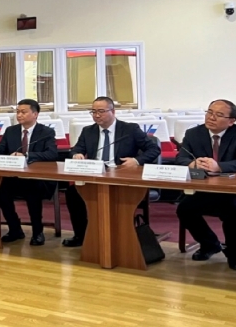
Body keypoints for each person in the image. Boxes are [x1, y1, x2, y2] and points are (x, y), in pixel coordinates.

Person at [62, 97, 161, 247]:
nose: (96, 115)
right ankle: (81, 235)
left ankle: (122, 238)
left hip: (122, 179)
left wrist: (136, 161)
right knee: (73, 194)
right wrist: (76, 154)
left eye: (101, 111)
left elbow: (154, 149)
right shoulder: (88, 131)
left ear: (113, 111)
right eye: (93, 111)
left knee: (118, 198)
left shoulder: (130, 129)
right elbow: (76, 149)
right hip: (95, 177)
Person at [176, 99, 236, 271]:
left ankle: (234, 254)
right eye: (209, 112)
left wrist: (219, 166)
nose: (211, 117)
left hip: (233, 191)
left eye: (218, 115)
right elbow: (181, 158)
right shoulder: (193, 133)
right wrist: (192, 164)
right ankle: (210, 244)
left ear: (231, 121)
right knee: (184, 209)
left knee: (235, 210)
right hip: (205, 189)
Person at [0, 99, 58, 246]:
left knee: (32, 190)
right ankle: (15, 228)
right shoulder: (11, 131)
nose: (19, 115)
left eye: (23, 112)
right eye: (17, 112)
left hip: (38, 178)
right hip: (15, 177)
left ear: (35, 114)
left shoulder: (46, 132)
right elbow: (0, 149)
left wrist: (27, 156)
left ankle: (37, 232)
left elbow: (52, 154)